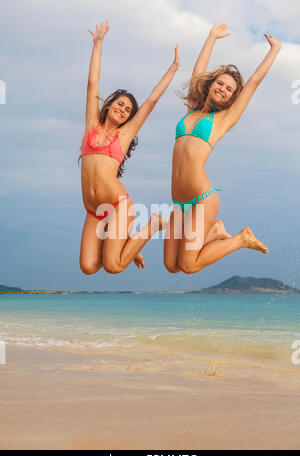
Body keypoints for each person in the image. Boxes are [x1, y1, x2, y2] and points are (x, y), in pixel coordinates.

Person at [164, 23, 281, 274]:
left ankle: (240, 239)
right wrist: (211, 37)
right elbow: (198, 72)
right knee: (172, 266)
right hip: (178, 201)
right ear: (211, 84)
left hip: (202, 199)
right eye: (220, 83)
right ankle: (215, 231)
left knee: (188, 265)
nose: (223, 89)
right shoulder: (192, 110)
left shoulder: (222, 120)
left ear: (231, 98)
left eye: (229, 89)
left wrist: (274, 50)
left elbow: (253, 84)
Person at [79, 21, 179, 275]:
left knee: (113, 266)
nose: (122, 110)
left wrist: (174, 67)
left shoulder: (123, 135)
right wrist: (98, 43)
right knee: (89, 267)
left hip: (118, 206)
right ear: (110, 103)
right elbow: (92, 83)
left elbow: (151, 101)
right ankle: (126, 245)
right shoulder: (91, 125)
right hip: (94, 211)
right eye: (120, 104)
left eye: (127, 111)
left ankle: (153, 225)